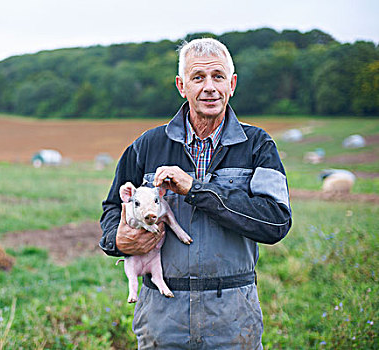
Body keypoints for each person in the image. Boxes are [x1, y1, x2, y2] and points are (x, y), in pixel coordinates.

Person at [99, 38, 292, 349]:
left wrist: (196, 189)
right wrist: (117, 241)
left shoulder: (257, 145)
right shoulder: (147, 145)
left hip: (232, 312)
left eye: (218, 76)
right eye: (198, 77)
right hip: (162, 313)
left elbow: (275, 222)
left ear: (233, 83)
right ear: (181, 85)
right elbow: (112, 207)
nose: (209, 87)